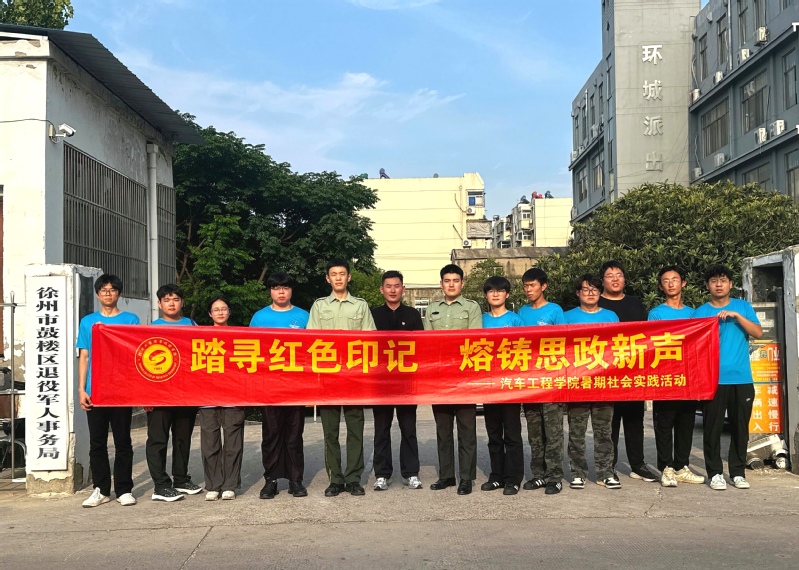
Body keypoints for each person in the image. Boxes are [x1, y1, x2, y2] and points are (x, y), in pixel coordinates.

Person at [307, 259, 376, 497]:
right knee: (330, 431)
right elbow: (311, 341)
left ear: (349, 277)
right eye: (334, 274)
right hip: (329, 377)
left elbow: (370, 340)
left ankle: (354, 478)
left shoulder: (360, 306)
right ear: (328, 278)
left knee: (356, 429)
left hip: (354, 377)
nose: (338, 278)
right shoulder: (319, 306)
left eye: (342, 274)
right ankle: (335, 479)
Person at [694, 265, 762, 490]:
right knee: (712, 428)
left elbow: (758, 332)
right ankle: (715, 473)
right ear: (707, 286)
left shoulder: (743, 307)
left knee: (740, 428)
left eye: (723, 280)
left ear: (731, 284)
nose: (719, 285)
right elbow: (693, 346)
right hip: (712, 380)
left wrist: (736, 316)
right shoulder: (701, 312)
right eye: (714, 281)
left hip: (741, 379)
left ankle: (738, 472)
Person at [77, 274, 140, 508]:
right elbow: (84, 356)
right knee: (97, 442)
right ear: (97, 294)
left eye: (112, 289)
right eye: (103, 289)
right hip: (96, 390)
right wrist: (81, 389)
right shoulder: (88, 322)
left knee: (123, 441)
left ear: (119, 294)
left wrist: (137, 389)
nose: (107, 293)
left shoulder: (130, 320)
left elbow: (136, 355)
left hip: (122, 390)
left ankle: (124, 489)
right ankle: (101, 489)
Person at [250, 272, 310, 499]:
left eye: (285, 287)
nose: (281, 292)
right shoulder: (259, 317)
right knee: (271, 435)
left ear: (291, 290)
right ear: (270, 291)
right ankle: (271, 480)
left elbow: (313, 351)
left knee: (294, 435)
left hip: (296, 386)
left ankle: (296, 480)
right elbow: (251, 351)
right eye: (276, 288)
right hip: (269, 386)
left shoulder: (304, 316)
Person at [597, 260, 658, 483]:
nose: (615, 279)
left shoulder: (635, 304)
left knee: (634, 421)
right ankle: (608, 466)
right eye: (610, 275)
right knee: (609, 423)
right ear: (602, 281)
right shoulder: (596, 303)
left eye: (619, 275)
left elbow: (648, 336)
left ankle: (638, 465)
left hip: (633, 373)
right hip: (605, 373)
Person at [424, 264, 482, 495]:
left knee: (467, 430)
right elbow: (428, 343)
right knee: (443, 430)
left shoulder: (471, 307)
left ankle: (466, 478)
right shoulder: (432, 309)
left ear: (462, 283)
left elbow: (475, 340)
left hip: (464, 378)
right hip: (439, 379)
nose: (451, 284)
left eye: (455, 280)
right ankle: (446, 476)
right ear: (441, 284)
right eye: (447, 281)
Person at [648, 267, 705, 487]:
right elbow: (652, 344)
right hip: (665, 377)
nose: (671, 284)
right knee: (664, 424)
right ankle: (667, 468)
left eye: (675, 279)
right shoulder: (656, 313)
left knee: (686, 423)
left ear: (684, 283)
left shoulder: (694, 314)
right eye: (666, 280)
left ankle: (681, 466)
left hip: (688, 377)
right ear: (661, 286)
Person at [370, 270, 425, 491]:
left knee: (408, 428)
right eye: (388, 286)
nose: (392, 290)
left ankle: (411, 473)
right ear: (381, 289)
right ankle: (382, 474)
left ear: (403, 288)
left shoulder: (412, 315)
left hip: (406, 383)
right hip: (380, 382)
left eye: (397, 286)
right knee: (381, 429)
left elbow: (422, 346)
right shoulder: (373, 315)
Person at [564, 274, 620, 489]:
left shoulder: (611, 316)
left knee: (604, 431)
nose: (590, 293)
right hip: (577, 383)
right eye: (586, 289)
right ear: (578, 293)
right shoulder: (567, 317)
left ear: (600, 292)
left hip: (603, 383)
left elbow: (619, 347)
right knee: (577, 432)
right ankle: (577, 473)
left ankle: (606, 472)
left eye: (595, 289)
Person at [146, 284, 200, 502]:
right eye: (167, 300)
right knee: (158, 440)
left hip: (186, 392)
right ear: (159, 304)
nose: (171, 303)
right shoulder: (150, 329)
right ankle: (160, 485)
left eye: (175, 299)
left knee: (182, 438)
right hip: (158, 393)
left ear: (182, 303)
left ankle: (181, 479)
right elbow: (142, 363)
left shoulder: (192, 325)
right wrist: (144, 394)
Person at [517, 267, 566, 495]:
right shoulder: (521, 313)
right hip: (530, 382)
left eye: (532, 285)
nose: (529, 290)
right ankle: (538, 474)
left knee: (553, 431)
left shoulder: (555, 310)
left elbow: (566, 342)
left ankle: (555, 477)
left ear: (543, 286)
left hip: (552, 380)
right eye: (525, 286)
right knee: (534, 432)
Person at [198, 296, 246, 501]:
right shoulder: (200, 336)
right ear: (210, 314)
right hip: (207, 398)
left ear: (229, 312)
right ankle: (213, 485)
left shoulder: (240, 336)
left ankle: (230, 485)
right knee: (210, 444)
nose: (220, 312)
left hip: (234, 397)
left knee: (233, 443)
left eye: (224, 309)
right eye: (216, 309)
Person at [480, 276, 525, 495]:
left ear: (507, 294)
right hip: (489, 386)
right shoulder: (480, 320)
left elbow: (526, 351)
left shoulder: (516, 320)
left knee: (512, 435)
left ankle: (513, 478)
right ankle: (496, 475)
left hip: (510, 386)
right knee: (494, 435)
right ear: (486, 295)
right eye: (491, 291)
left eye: (500, 291)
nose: (495, 294)